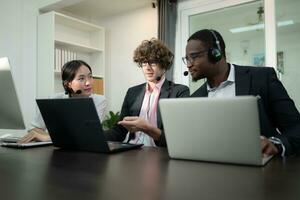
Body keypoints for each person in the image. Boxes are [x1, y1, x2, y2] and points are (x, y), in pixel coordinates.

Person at [183, 29, 300, 156]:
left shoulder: (261, 78)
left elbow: (296, 128)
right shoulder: (195, 98)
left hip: (262, 169)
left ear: (216, 53)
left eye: (194, 57)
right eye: (186, 59)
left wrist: (275, 144)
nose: (188, 65)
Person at [105, 38, 190, 147]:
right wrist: (95, 136)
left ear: (164, 65)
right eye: (144, 62)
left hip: (159, 153)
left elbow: (178, 138)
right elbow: (119, 131)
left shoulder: (179, 92)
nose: (148, 68)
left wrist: (147, 128)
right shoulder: (132, 92)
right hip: (132, 151)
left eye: (153, 62)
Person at [18, 60, 107, 143]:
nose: (88, 83)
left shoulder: (99, 101)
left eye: (90, 76)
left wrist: (47, 138)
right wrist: (53, 139)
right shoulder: (54, 99)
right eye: (81, 79)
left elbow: (87, 135)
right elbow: (34, 128)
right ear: (68, 84)